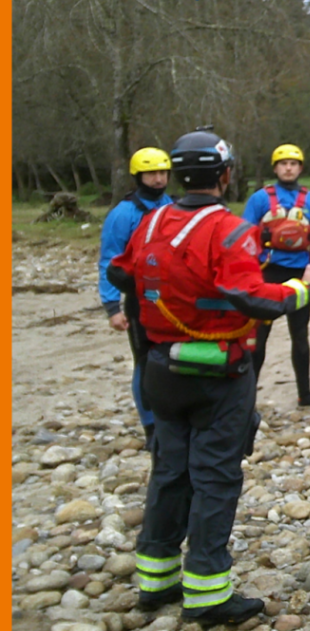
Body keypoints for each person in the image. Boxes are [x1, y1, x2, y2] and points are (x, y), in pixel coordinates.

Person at [107, 129, 310, 625]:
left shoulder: (149, 223)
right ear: (225, 175)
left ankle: (155, 579)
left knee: (168, 468)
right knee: (215, 475)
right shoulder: (231, 231)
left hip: (160, 370)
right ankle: (207, 591)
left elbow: (122, 274)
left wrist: (170, 287)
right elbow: (253, 297)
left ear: (178, 173)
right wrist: (305, 290)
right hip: (218, 375)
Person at [242, 144, 310, 408]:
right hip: (267, 272)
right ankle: (246, 397)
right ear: (275, 168)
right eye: (283, 164)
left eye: (293, 164)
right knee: (258, 339)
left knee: (300, 336)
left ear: (300, 168)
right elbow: (243, 237)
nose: (288, 168)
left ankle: (305, 394)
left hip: (300, 274)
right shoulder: (259, 199)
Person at [98, 147, 173, 449]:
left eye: (162, 173)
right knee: (145, 362)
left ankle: (172, 417)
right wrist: (112, 306)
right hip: (139, 299)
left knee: (172, 359)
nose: (158, 179)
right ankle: (151, 424)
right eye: (151, 173)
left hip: (171, 298)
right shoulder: (123, 214)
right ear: (138, 176)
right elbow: (109, 261)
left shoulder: (174, 207)